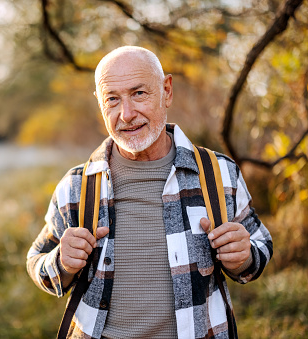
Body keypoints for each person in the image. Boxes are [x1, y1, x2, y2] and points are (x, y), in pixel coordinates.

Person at [26, 46, 273, 339]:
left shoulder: (219, 174)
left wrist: (244, 258)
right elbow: (37, 261)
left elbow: (260, 244)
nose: (126, 114)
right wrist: (62, 264)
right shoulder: (77, 186)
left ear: (166, 91)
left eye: (139, 94)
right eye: (112, 99)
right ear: (100, 104)